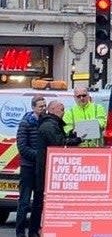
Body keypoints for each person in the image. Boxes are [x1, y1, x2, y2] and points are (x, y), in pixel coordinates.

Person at [29, 100, 82, 237]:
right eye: (62, 109)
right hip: (46, 170)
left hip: (49, 169)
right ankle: (34, 231)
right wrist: (75, 141)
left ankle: (39, 230)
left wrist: (71, 137)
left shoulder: (53, 124)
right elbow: (58, 143)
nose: (64, 112)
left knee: (41, 201)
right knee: (40, 202)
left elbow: (60, 140)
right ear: (53, 110)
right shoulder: (49, 125)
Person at [15, 95, 46, 237]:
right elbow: (22, 147)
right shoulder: (26, 123)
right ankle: (20, 232)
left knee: (38, 202)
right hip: (28, 167)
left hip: (40, 169)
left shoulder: (45, 122)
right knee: (25, 202)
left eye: (44, 106)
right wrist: (39, 156)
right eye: (41, 106)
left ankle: (33, 231)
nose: (43, 109)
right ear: (33, 107)